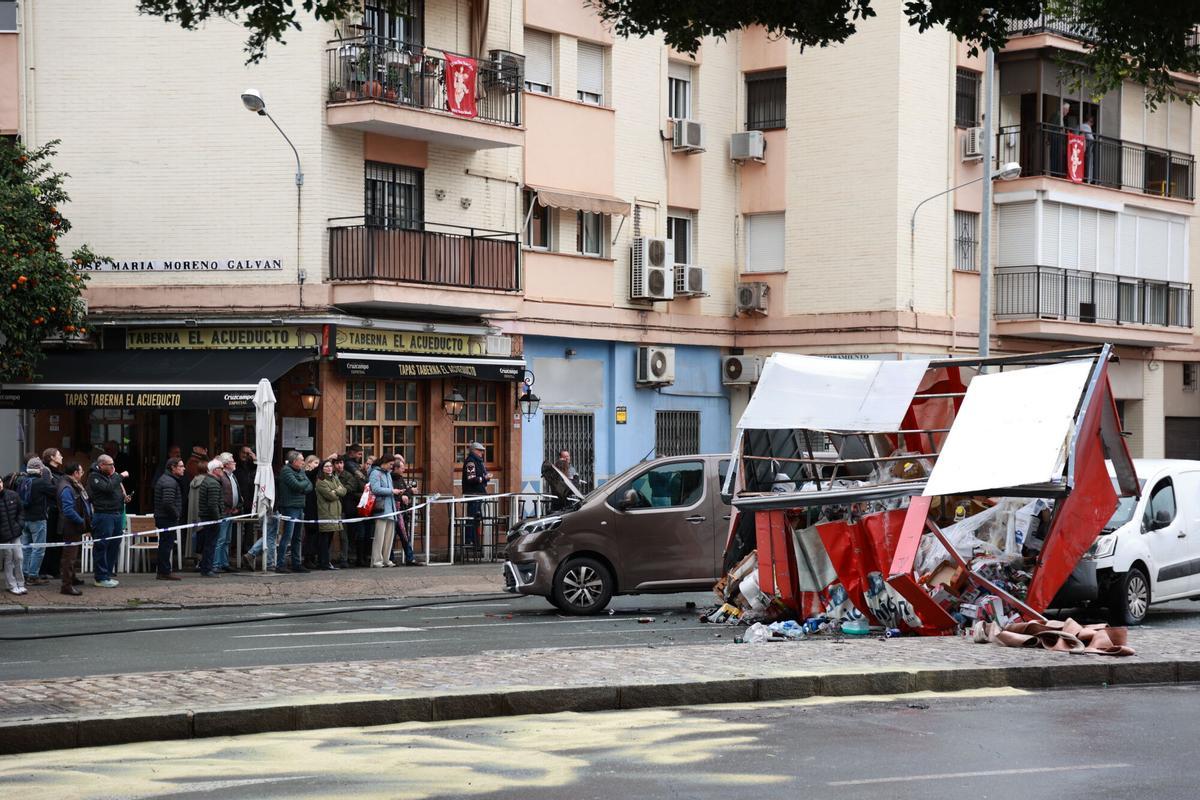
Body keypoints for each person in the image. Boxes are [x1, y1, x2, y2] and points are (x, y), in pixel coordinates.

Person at [87, 454, 129, 588]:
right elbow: (107, 488)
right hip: (104, 515)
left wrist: (123, 498)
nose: (113, 466)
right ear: (101, 465)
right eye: (110, 464)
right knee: (102, 545)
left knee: (114, 544)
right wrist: (120, 476)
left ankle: (108, 573)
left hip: (117, 513)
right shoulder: (94, 477)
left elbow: (115, 490)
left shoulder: (112, 476)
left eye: (113, 464)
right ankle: (100, 577)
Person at [19, 457, 57, 586]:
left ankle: (24, 574)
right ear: (39, 469)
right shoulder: (41, 483)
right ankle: (33, 576)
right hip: (38, 520)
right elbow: (54, 491)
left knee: (26, 548)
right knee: (38, 548)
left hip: (24, 519)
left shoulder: (22, 481)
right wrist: (50, 478)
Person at [274, 451, 313, 574]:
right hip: (289, 507)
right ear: (294, 461)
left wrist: (302, 485)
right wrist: (303, 484)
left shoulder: (300, 470)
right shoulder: (286, 471)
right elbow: (297, 486)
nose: (303, 462)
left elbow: (310, 486)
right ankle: (280, 564)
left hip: (300, 506)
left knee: (298, 537)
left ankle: (296, 563)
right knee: (287, 536)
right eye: (301, 460)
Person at [58, 463, 91, 596]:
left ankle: (72, 578)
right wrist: (81, 521)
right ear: (75, 473)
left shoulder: (72, 485)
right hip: (70, 526)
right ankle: (66, 586)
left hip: (73, 526)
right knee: (69, 557)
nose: (82, 474)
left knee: (72, 555)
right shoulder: (67, 487)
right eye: (81, 472)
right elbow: (68, 510)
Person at [152, 457, 185, 580]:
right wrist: (176, 514)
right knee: (166, 545)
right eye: (181, 466)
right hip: (166, 518)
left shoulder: (168, 479)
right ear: (173, 468)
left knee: (165, 544)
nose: (184, 468)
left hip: (164, 517)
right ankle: (164, 571)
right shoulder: (169, 482)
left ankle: (163, 570)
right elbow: (167, 503)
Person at [368, 453, 401, 567]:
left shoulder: (387, 473)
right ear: (384, 462)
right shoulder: (375, 473)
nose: (391, 467)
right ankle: (377, 560)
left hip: (390, 508)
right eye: (390, 464)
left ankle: (386, 559)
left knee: (389, 537)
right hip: (381, 508)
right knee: (379, 536)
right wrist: (391, 491)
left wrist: (394, 491)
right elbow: (375, 489)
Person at [39, 447, 65, 581]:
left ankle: (54, 569)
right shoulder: (45, 472)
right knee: (49, 540)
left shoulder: (60, 473)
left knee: (58, 540)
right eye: (59, 455)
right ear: (52, 458)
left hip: (58, 511)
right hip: (51, 511)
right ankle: (43, 570)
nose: (61, 457)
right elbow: (47, 489)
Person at [314, 459, 346, 571]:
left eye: (330, 466)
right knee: (324, 539)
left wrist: (335, 491)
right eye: (326, 466)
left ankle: (326, 561)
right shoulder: (321, 482)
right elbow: (330, 496)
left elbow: (344, 491)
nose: (329, 468)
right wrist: (337, 490)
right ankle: (323, 562)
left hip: (335, 512)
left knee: (330, 538)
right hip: (326, 513)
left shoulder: (335, 478)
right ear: (322, 469)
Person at [196, 459, 225, 577]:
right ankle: (207, 569)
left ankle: (206, 568)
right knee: (210, 544)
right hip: (211, 519)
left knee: (208, 543)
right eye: (221, 469)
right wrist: (217, 518)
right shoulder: (213, 483)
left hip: (207, 517)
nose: (223, 471)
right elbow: (213, 505)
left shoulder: (208, 481)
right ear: (215, 470)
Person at [339, 451, 368, 567]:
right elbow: (350, 492)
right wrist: (362, 495)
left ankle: (360, 558)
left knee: (360, 534)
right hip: (351, 508)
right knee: (349, 534)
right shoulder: (352, 477)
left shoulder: (363, 478)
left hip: (361, 509)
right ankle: (349, 558)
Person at [213, 452, 240, 572]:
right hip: (224, 512)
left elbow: (235, 492)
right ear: (226, 464)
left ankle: (224, 563)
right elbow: (220, 495)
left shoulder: (232, 476)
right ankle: (216, 564)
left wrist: (237, 505)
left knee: (227, 539)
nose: (234, 463)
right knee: (221, 539)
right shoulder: (221, 476)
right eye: (232, 461)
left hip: (230, 511)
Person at [391, 454, 419, 566]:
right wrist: (402, 496)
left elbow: (405, 491)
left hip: (402, 512)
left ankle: (410, 558)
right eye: (402, 468)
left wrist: (409, 492)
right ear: (396, 468)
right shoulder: (390, 478)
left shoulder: (400, 478)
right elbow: (391, 493)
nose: (404, 470)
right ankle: (391, 559)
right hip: (394, 511)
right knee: (392, 536)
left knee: (405, 535)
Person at [0, 475, 26, 595]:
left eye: (0, 482)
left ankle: (20, 583)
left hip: (15, 533)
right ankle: (11, 585)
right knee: (8, 558)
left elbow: (21, 511)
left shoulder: (13, 495)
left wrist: (19, 525)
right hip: (3, 536)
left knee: (19, 557)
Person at [461, 441, 489, 550]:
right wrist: (484, 478)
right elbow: (471, 479)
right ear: (474, 451)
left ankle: (475, 542)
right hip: (473, 494)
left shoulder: (478, 462)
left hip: (478, 493)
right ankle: (470, 542)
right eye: (480, 451)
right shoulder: (471, 462)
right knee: (472, 518)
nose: (482, 453)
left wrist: (484, 477)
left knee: (476, 519)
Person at [302, 454, 322, 569]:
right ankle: (307, 558)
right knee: (310, 531)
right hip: (308, 505)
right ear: (309, 463)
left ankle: (312, 556)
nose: (317, 466)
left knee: (314, 532)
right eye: (315, 463)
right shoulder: (306, 473)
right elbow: (314, 472)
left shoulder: (312, 476)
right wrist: (328, 459)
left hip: (314, 504)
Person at [234, 446, 257, 515]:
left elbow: (257, 468)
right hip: (238, 498)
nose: (244, 455)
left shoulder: (251, 465)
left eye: (247, 454)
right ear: (239, 453)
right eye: (243, 452)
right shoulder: (234, 464)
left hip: (250, 499)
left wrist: (255, 459)